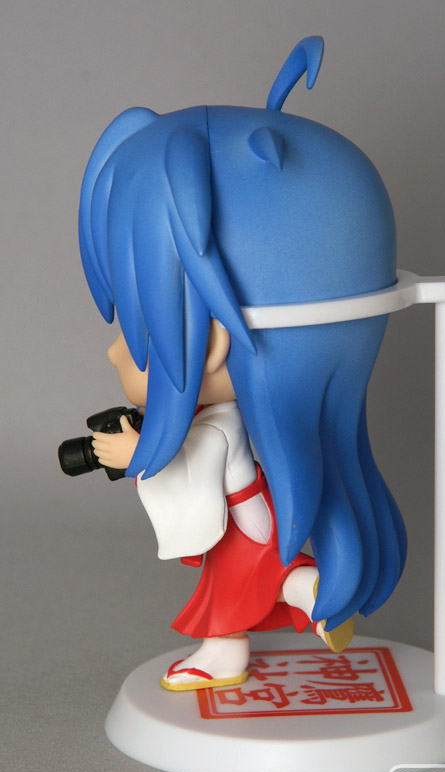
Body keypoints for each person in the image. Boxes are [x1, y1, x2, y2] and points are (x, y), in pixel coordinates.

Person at [79, 37, 407, 691]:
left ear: (213, 345)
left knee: (227, 593)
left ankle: (229, 649)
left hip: (243, 519)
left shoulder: (220, 427)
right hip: (259, 512)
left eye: (143, 336)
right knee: (267, 575)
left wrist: (137, 454)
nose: (117, 352)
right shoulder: (242, 421)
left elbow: (192, 462)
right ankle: (310, 593)